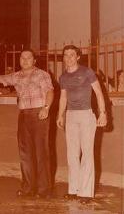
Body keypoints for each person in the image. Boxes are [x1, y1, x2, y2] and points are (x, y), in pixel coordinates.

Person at [0, 49, 54, 199]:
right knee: (25, 154)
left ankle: (43, 190)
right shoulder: (16, 76)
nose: (25, 60)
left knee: (41, 153)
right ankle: (28, 188)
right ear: (19, 60)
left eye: (28, 57)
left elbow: (50, 91)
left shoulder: (42, 74)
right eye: (22, 58)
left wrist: (46, 108)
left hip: (40, 114)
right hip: (24, 116)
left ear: (34, 61)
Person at [56, 45, 107, 204]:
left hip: (86, 115)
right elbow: (63, 97)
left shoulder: (87, 72)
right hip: (71, 116)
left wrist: (103, 113)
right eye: (66, 55)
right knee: (72, 154)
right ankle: (74, 190)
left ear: (78, 57)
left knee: (87, 154)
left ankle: (86, 193)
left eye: (72, 55)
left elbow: (99, 93)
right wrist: (60, 115)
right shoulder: (63, 77)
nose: (68, 58)